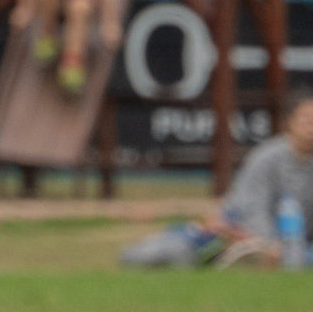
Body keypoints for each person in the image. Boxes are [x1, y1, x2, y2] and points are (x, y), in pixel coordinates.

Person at [121, 93, 313, 268]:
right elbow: (253, 209)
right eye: (306, 121)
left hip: (291, 244)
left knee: (299, 259)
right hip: (237, 229)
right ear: (290, 122)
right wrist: (265, 243)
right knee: (176, 251)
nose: (310, 128)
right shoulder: (266, 158)